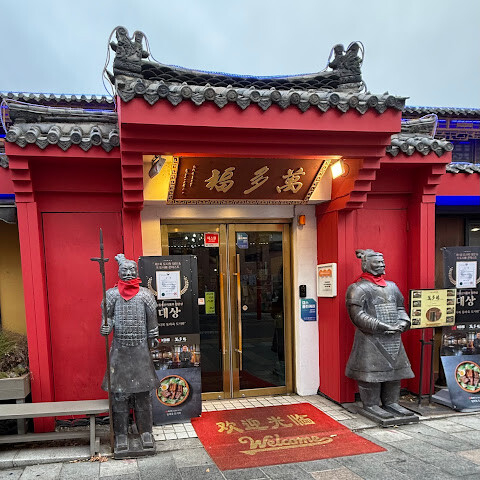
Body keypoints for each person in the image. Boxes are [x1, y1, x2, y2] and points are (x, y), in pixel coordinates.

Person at [101, 254, 160, 453]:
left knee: (143, 394)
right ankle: (120, 434)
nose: (128, 273)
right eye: (124, 270)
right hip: (120, 349)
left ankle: (146, 432)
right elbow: (107, 317)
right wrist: (106, 327)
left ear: (137, 271)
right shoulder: (111, 295)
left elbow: (152, 319)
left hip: (140, 348)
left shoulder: (145, 295)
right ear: (118, 272)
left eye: (132, 270)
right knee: (119, 395)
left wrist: (153, 336)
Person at [345, 249, 415, 419]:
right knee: (371, 373)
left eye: (382, 262)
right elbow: (357, 316)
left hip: (393, 337)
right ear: (366, 264)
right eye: (377, 262)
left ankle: (392, 402)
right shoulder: (357, 288)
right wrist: (381, 326)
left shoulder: (392, 286)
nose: (382, 265)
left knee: (394, 372)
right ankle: (371, 404)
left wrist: (403, 322)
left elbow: (400, 308)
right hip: (369, 339)